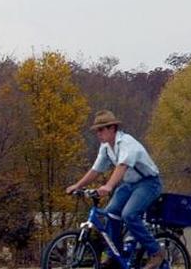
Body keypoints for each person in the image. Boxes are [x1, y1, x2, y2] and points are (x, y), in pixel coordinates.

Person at [66, 110, 167, 269]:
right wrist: (78, 186)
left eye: (101, 129)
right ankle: (115, 255)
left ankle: (156, 252)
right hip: (129, 184)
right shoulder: (106, 147)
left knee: (129, 214)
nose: (98, 134)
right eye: (97, 130)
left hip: (148, 183)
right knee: (110, 212)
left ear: (112, 128)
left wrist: (108, 186)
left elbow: (122, 166)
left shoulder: (127, 143)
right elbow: (96, 170)